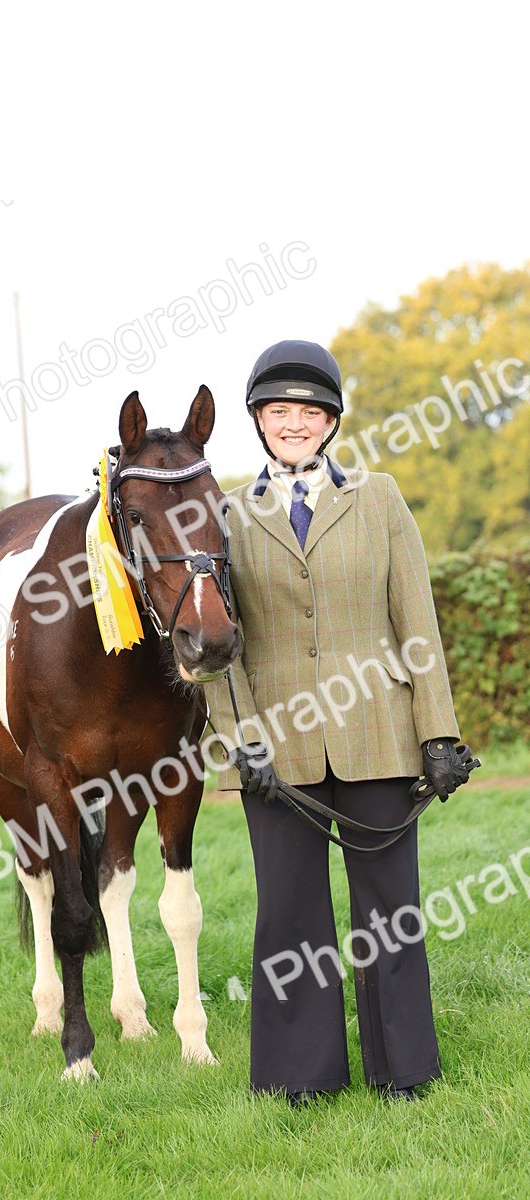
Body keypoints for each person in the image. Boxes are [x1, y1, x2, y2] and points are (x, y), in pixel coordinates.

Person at [203, 339, 474, 1107]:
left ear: (331, 422)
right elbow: (215, 644)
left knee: (390, 909)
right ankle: (300, 1073)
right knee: (288, 910)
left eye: (309, 412)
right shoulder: (226, 513)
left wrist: (439, 733)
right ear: (259, 420)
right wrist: (242, 737)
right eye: (278, 411)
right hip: (278, 742)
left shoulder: (380, 497)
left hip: (377, 730)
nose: (294, 423)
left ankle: (405, 1069)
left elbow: (415, 618)